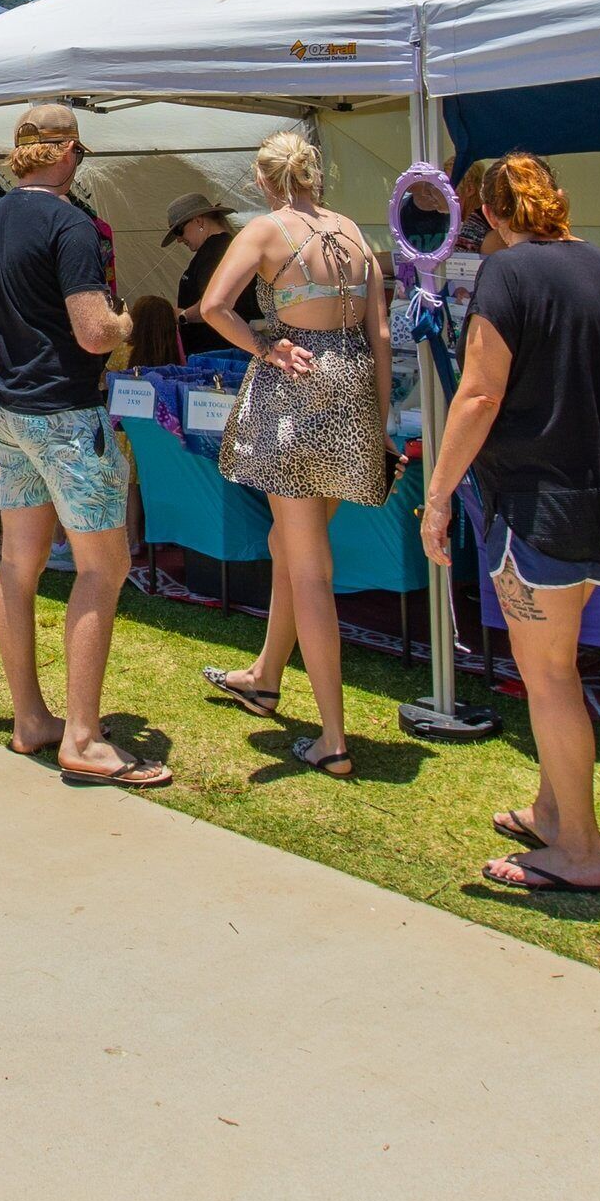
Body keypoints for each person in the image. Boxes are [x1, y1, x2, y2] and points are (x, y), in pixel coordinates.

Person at [417, 151, 600, 893]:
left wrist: (438, 493)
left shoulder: (508, 275)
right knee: (555, 667)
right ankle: (554, 810)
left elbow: (479, 395)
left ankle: (580, 849)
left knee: (548, 677)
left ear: (484, 213)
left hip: (537, 502)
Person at [0, 104, 164, 788]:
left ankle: (31, 718)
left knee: (18, 564)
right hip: (64, 414)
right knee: (102, 569)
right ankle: (83, 738)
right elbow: (92, 331)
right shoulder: (72, 224)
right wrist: (124, 321)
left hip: (10, 412)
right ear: (65, 154)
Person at [193, 131, 390, 778]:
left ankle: (332, 739)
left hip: (297, 395)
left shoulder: (264, 231)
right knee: (290, 546)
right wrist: (378, 422)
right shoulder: (356, 234)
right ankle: (264, 676)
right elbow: (380, 333)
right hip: (353, 396)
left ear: (264, 180)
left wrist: (262, 347)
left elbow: (212, 306)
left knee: (308, 568)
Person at [161, 191, 260, 359]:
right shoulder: (221, 247)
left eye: (179, 231)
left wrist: (182, 316)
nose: (179, 240)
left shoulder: (215, 251)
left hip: (217, 355)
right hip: (219, 351)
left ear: (199, 220)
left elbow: (213, 303)